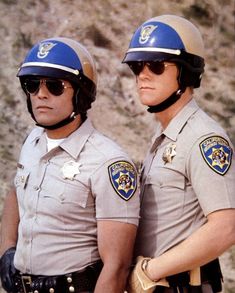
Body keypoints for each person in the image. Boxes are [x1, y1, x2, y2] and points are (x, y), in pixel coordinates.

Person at [0, 37, 140, 293]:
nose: (40, 94)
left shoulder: (108, 162)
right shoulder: (32, 142)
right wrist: (7, 250)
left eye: (54, 86)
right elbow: (15, 194)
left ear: (81, 94)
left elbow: (116, 265)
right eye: (32, 85)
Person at [122, 14, 235, 293]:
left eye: (157, 66)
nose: (143, 75)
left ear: (185, 72)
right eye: (137, 66)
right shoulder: (165, 137)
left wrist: (150, 271)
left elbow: (226, 227)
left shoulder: (203, 138)